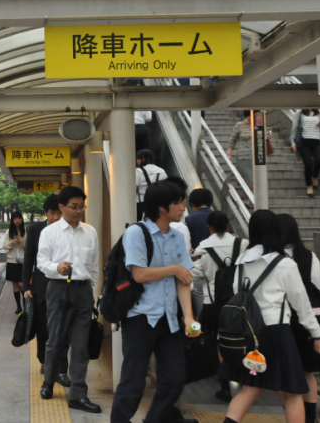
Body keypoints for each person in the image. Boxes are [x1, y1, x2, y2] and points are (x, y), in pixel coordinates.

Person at [221, 210, 320, 423]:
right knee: (292, 393)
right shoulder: (285, 264)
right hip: (277, 333)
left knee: (249, 389)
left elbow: (238, 293)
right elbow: (302, 305)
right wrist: (318, 335)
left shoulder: (241, 263)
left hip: (250, 332)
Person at [110, 178, 199, 423]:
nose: (183, 208)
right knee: (133, 381)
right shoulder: (136, 233)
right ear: (162, 207)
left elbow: (184, 280)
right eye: (179, 203)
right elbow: (139, 274)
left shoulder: (178, 237)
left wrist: (188, 317)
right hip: (140, 317)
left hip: (169, 319)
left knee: (175, 377)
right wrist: (173, 269)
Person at [37, 186, 101, 413]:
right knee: (55, 339)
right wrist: (57, 267)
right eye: (74, 206)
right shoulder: (50, 232)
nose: (79, 211)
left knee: (81, 345)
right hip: (58, 289)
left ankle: (78, 395)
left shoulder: (90, 231)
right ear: (61, 207)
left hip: (83, 291)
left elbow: (94, 266)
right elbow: (42, 263)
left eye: (81, 206)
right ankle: (48, 382)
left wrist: (91, 291)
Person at [278, 213, 320, 423]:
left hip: (284, 320)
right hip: (307, 320)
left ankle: (292, 415)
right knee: (307, 371)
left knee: (285, 373)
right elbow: (317, 288)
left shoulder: (274, 257)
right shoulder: (310, 256)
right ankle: (310, 418)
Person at [191, 210, 249, 403]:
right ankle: (245, 384)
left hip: (213, 304)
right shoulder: (242, 244)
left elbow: (197, 275)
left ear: (209, 228)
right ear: (228, 226)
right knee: (243, 341)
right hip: (240, 303)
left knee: (218, 343)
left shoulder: (203, 248)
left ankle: (224, 387)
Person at [22, 195, 64, 376]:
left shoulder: (68, 230)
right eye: (52, 213)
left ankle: (60, 364)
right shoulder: (36, 230)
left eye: (59, 213)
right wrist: (26, 287)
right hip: (41, 286)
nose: (55, 217)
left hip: (62, 286)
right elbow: (28, 259)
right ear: (45, 213)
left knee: (61, 327)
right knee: (42, 327)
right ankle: (43, 360)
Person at [291, 109, 320, 198]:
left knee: (319, 161)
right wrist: (293, 142)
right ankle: (309, 186)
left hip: (317, 140)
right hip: (304, 141)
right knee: (308, 163)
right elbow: (294, 128)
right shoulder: (299, 113)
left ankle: (315, 177)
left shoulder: (319, 113)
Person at [227, 112, 253, 204]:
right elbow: (232, 140)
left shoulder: (259, 125)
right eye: (251, 115)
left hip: (256, 158)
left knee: (252, 180)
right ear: (248, 115)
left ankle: (249, 198)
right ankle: (246, 200)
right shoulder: (240, 125)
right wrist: (229, 153)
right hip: (243, 156)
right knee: (249, 180)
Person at [3, 212, 26, 314]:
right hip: (12, 260)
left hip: (22, 261)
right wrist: (12, 242)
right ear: (12, 220)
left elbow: (29, 246)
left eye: (19, 218)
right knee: (15, 285)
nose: (17, 221)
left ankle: (26, 305)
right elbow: (5, 246)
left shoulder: (26, 231)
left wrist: (21, 240)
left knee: (22, 284)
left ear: (22, 219)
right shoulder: (9, 232)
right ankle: (19, 307)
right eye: (15, 219)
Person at [135, 149, 167, 221]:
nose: (137, 161)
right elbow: (165, 188)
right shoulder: (161, 171)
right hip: (157, 202)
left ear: (147, 159)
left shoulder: (138, 171)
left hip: (141, 202)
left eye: (139, 158)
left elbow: (135, 187)